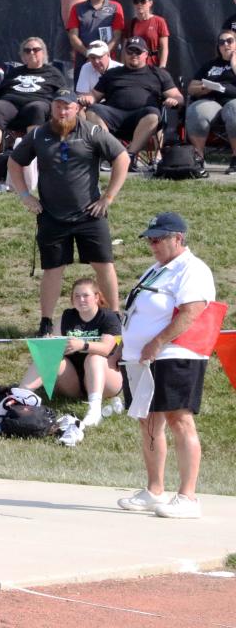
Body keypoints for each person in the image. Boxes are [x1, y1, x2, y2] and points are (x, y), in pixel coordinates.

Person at [8, 89, 129, 337]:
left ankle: (115, 316)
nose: (63, 112)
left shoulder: (92, 132)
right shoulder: (39, 135)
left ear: (77, 109)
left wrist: (108, 197)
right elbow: (14, 162)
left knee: (104, 264)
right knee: (53, 269)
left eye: (68, 107)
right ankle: (45, 322)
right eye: (58, 107)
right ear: (52, 108)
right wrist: (25, 196)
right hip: (51, 214)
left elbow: (122, 158)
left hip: (89, 214)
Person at [118, 212, 215, 519]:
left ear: (178, 238)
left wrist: (157, 342)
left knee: (179, 419)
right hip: (143, 357)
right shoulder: (157, 269)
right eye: (150, 239)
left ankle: (188, 496)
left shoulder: (192, 269)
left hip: (176, 354)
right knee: (148, 420)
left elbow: (192, 312)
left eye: (158, 239)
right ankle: (154, 490)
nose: (153, 244)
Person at [18, 278, 122, 427]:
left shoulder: (108, 317)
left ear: (97, 297)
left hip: (106, 379)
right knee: (49, 355)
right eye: (77, 296)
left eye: (86, 295)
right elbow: (54, 344)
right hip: (73, 380)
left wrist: (82, 345)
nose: (81, 299)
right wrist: (49, 344)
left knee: (94, 358)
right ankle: (19, 397)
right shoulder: (67, 316)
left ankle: (94, 409)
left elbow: (106, 348)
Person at [84, 37, 183, 169]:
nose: (133, 55)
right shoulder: (112, 74)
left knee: (153, 114)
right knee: (92, 111)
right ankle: (112, 153)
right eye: (130, 51)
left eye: (138, 52)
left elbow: (178, 97)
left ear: (146, 54)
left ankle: (129, 156)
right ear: (124, 53)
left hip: (142, 118)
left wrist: (174, 100)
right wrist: (88, 99)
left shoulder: (159, 74)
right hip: (114, 116)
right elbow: (95, 95)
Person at [0, 37, 66, 163]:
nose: (31, 52)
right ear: (23, 56)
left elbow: (64, 94)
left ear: (43, 53)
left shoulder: (53, 72)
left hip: (38, 104)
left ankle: (32, 155)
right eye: (27, 51)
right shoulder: (15, 72)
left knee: (36, 108)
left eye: (36, 50)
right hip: (11, 104)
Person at [185, 29, 236, 173]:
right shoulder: (210, 65)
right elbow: (191, 88)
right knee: (197, 111)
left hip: (233, 100)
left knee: (234, 109)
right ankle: (198, 158)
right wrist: (203, 87)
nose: (225, 44)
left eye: (229, 41)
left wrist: (233, 63)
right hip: (211, 100)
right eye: (221, 42)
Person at [56, 0, 109, 81]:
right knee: (71, 96)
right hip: (73, 57)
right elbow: (71, 26)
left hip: (87, 54)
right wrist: (79, 51)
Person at [66, 0, 124, 88]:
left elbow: (117, 36)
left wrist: (102, 55)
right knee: (82, 96)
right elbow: (73, 36)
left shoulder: (115, 7)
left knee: (110, 94)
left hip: (108, 61)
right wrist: (89, 55)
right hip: (83, 60)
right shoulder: (77, 8)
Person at [124, 0, 169, 68]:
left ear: (150, 3)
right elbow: (125, 47)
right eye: (136, 1)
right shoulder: (131, 23)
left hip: (153, 65)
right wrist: (124, 66)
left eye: (143, 1)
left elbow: (164, 48)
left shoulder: (159, 21)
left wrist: (162, 67)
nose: (139, 4)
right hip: (135, 66)